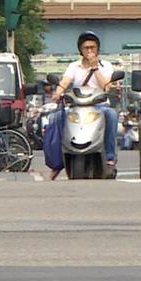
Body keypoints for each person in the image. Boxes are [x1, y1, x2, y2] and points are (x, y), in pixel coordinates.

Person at [52, 31, 119, 180]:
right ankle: (57, 162)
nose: (89, 51)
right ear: (80, 50)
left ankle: (109, 158)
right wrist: (58, 92)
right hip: (77, 107)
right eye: (86, 48)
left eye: (92, 47)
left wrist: (95, 69)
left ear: (98, 49)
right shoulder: (73, 66)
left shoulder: (106, 66)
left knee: (111, 115)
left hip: (99, 106)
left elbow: (106, 87)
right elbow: (64, 82)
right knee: (57, 117)